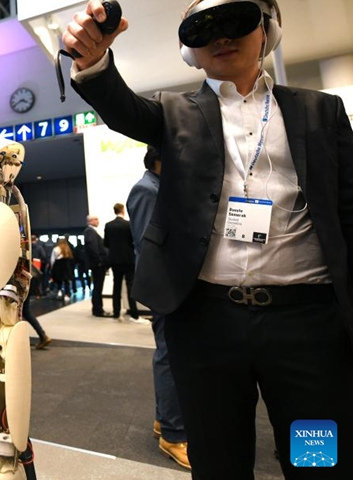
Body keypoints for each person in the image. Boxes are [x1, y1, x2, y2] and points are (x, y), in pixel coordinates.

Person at [63, 1, 353, 478]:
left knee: (314, 457)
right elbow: (122, 108)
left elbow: (348, 210)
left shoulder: (320, 110)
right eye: (203, 28)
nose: (220, 36)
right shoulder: (174, 112)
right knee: (220, 460)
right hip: (207, 325)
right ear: (189, 50)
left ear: (266, 30)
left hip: (308, 327)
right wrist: (93, 61)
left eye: (234, 20)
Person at [127, 146, 189, 469]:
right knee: (169, 356)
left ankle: (163, 421)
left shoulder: (159, 188)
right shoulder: (146, 189)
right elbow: (149, 246)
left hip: (171, 288)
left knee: (171, 354)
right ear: (159, 159)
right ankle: (173, 435)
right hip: (166, 289)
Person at [103, 203, 140, 320]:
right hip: (128, 259)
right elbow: (134, 241)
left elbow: (106, 243)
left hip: (114, 260)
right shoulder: (128, 225)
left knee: (116, 286)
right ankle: (134, 313)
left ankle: (116, 312)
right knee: (131, 286)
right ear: (122, 210)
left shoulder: (108, 225)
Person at [83, 215, 109, 317]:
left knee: (98, 287)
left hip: (97, 263)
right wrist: (100, 260)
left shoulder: (91, 231)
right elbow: (92, 247)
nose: (98, 221)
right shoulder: (90, 231)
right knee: (98, 287)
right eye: (96, 219)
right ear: (91, 221)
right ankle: (98, 310)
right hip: (97, 264)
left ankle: (98, 309)